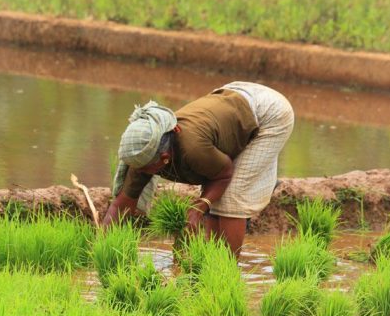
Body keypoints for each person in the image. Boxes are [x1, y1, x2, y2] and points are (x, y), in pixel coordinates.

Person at [102, 81, 294, 257]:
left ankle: (227, 270)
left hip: (268, 111)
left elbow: (223, 174)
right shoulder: (141, 155)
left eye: (147, 169)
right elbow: (121, 204)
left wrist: (198, 208)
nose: (143, 172)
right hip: (232, 100)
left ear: (164, 158)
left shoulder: (193, 149)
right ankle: (211, 260)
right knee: (214, 198)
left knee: (231, 197)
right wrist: (103, 250)